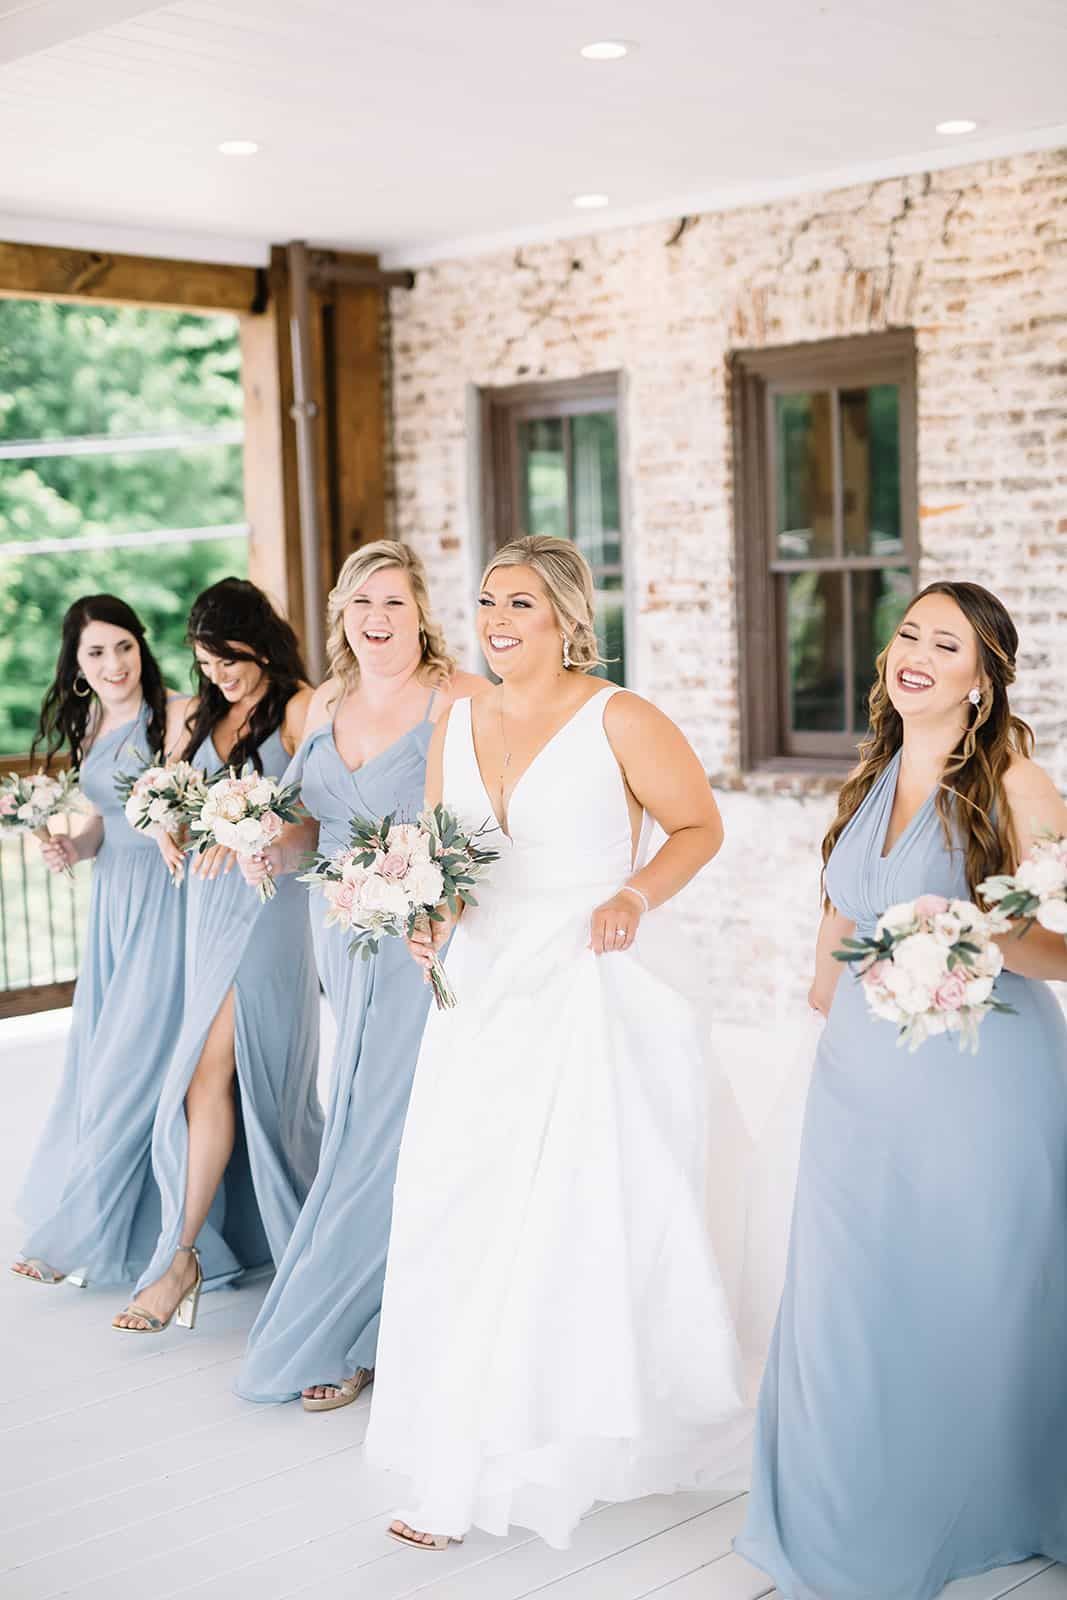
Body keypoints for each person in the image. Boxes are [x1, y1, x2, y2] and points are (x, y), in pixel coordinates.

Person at [364, 534, 751, 1550]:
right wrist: (427, 914)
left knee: (560, 1222)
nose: (496, 620)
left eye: (521, 604)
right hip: (477, 993)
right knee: (458, 1211)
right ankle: (461, 1443)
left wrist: (632, 892)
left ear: (567, 619)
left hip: (582, 983)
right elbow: (441, 856)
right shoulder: (452, 721)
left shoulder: (618, 716)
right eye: (487, 601)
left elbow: (698, 826)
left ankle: (510, 1467)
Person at [736, 581, 1067, 1600]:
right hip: (857, 1080)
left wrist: (980, 937)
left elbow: (1053, 947)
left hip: (983, 1086)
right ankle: (842, 1525)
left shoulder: (1015, 782)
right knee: (846, 1298)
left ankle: (984, 1503)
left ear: (981, 678)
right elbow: (834, 934)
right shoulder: (869, 774)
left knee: (969, 1296)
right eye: (908, 633)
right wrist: (818, 1017)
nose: (914, 652)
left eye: (946, 643)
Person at [235, 541, 487, 1408]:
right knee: (363, 1110)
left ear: (421, 613)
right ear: (341, 616)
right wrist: (264, 839)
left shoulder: (458, 699)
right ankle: (382, 1316)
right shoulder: (324, 704)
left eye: (393, 602)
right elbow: (310, 822)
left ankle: (350, 1327)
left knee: (386, 1120)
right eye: (361, 604)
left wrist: (441, 891)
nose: (377, 619)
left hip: (424, 932)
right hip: (338, 929)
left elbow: (498, 814)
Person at [113, 579, 322, 1333]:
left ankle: (182, 1258)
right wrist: (162, 824)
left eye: (229, 660)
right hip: (203, 907)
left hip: (268, 910)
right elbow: (166, 790)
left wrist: (261, 834)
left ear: (260, 642)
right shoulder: (196, 714)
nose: (219, 676)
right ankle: (189, 1249)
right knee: (205, 1076)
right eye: (206, 663)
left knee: (225, 1072)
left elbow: (320, 817)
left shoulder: (301, 707)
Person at [13, 595, 188, 1287]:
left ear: (141, 647)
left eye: (123, 646)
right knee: (100, 1056)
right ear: (77, 664)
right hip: (114, 902)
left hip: (166, 899)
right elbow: (103, 822)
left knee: (132, 1061)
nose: (113, 663)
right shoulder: (89, 719)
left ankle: (82, 1230)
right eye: (96, 652)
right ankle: (120, 1221)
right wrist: (71, 848)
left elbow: (181, 811)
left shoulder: (172, 714)